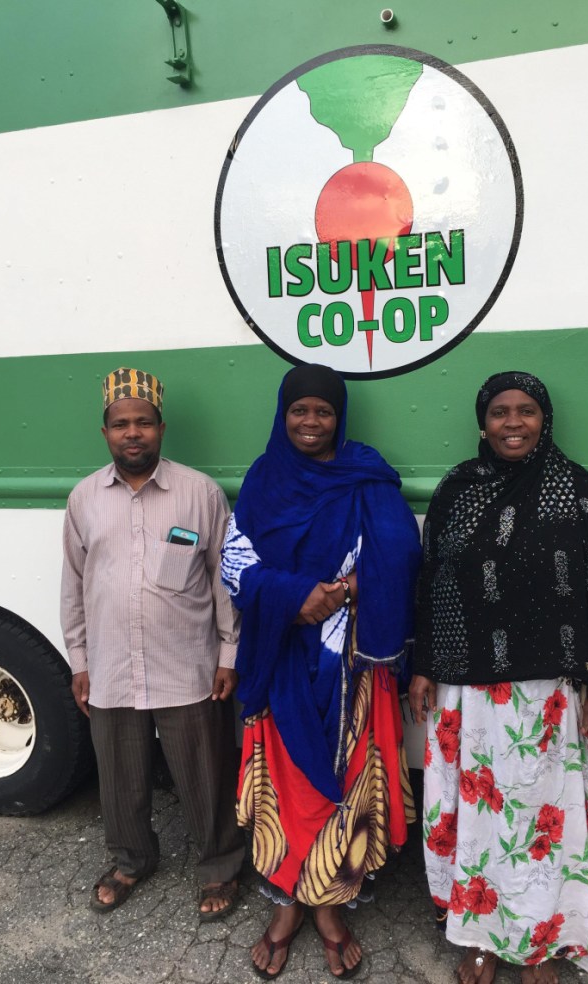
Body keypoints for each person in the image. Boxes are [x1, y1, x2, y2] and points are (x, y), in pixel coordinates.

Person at [409, 371, 588, 984]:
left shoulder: (576, 491)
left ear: (545, 420)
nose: (512, 423)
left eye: (526, 412)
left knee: (543, 820)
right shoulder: (457, 489)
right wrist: (424, 668)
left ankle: (540, 942)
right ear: (481, 422)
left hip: (544, 695)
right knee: (474, 816)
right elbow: (433, 586)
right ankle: (480, 937)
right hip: (465, 689)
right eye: (499, 413)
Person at [221, 363, 421, 979]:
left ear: (341, 417)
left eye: (324, 411)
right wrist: (297, 595)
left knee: (344, 780)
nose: (311, 422)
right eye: (299, 410)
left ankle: (331, 909)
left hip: (348, 662)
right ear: (283, 415)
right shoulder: (263, 478)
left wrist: (348, 589)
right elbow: (235, 561)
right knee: (283, 784)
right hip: (280, 655)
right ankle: (285, 906)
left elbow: (403, 554)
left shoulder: (365, 475)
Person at [61, 367, 244, 918]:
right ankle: (131, 859)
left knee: (204, 775)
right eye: (121, 424)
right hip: (112, 665)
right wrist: (79, 660)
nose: (132, 433)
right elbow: (74, 584)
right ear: (106, 432)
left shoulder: (199, 493)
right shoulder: (84, 498)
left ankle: (219, 867)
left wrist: (228, 654)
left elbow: (223, 580)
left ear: (162, 429)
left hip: (186, 663)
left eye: (143, 422)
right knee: (118, 776)